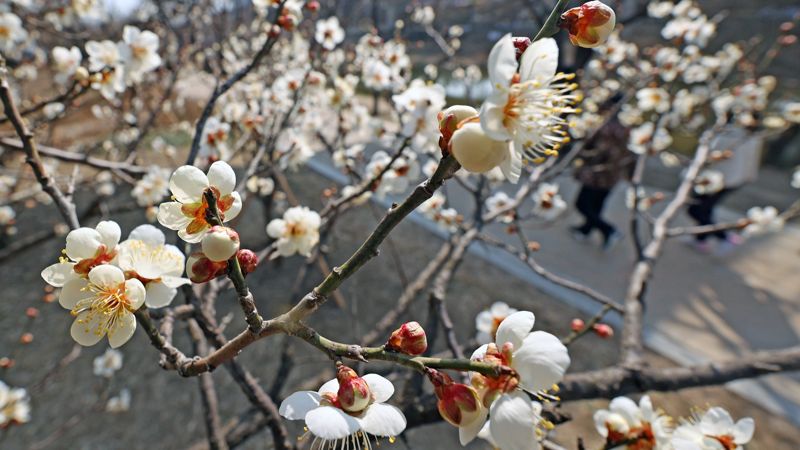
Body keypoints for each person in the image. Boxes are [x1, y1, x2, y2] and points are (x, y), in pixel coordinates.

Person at [687, 123, 763, 253]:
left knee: (697, 209)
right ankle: (704, 239)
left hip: (722, 179)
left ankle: (722, 237)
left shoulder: (748, 136)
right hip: (718, 178)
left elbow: (751, 161)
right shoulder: (731, 131)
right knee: (702, 210)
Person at [571, 108, 633, 250]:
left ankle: (609, 230)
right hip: (613, 172)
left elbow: (590, 145)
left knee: (582, 204)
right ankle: (585, 230)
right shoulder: (627, 128)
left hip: (597, 170)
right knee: (597, 205)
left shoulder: (603, 125)